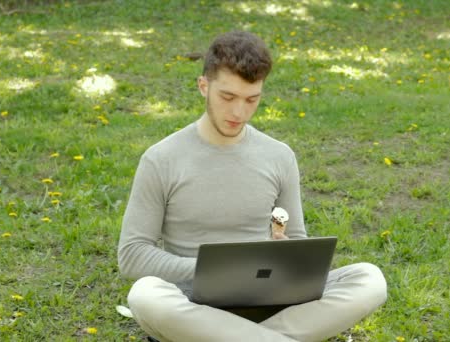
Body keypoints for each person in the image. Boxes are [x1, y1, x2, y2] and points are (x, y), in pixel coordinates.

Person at [118, 31, 387, 342]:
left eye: (252, 100)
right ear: (203, 86)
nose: (239, 113)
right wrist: (210, 270)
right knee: (145, 295)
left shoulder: (279, 156)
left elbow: (297, 240)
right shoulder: (161, 159)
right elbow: (133, 255)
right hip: (194, 305)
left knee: (369, 279)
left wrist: (286, 253)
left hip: (270, 301)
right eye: (227, 97)